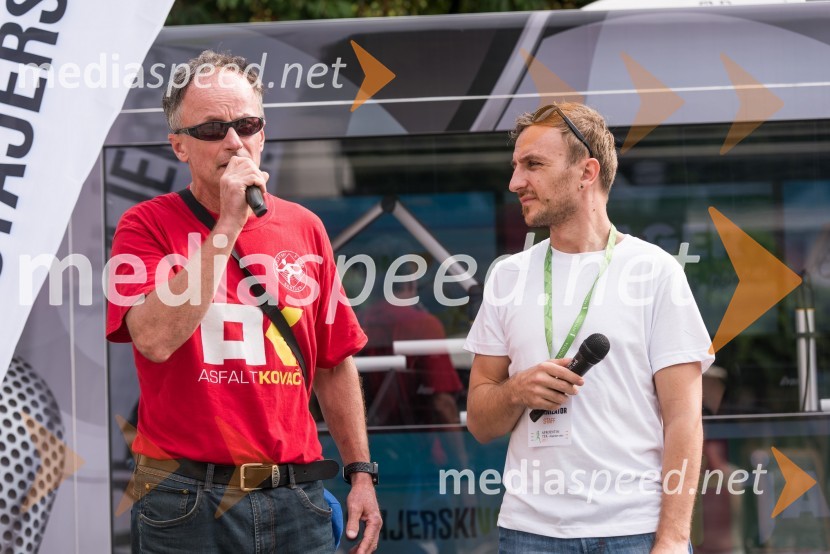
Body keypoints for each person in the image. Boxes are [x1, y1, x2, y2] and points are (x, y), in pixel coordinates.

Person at [106, 50, 381, 553]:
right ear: (179, 147)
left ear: (263, 132)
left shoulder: (304, 226)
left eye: (246, 124)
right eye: (212, 129)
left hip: (296, 497)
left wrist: (361, 473)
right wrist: (228, 226)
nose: (234, 142)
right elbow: (153, 339)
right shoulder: (145, 225)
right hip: (188, 499)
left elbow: (335, 362)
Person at [464, 102, 714, 553]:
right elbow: (481, 422)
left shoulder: (655, 271)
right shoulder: (507, 276)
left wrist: (674, 537)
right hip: (530, 534)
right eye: (516, 166)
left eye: (533, 165)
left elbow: (684, 419)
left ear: (587, 171)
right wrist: (517, 390)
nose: (516, 182)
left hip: (634, 533)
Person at [359, 264, 464, 427]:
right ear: (410, 284)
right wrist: (461, 453)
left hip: (368, 437)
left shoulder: (359, 321)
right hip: (418, 442)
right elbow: (442, 403)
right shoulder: (424, 324)